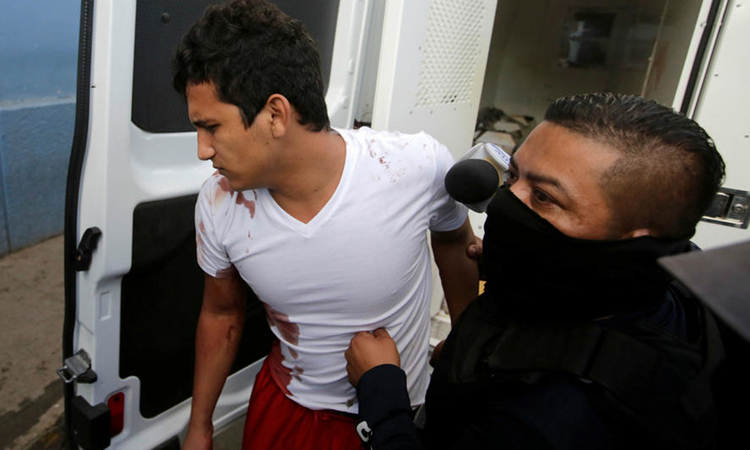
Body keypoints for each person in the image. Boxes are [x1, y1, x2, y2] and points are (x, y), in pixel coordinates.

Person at [171, 1, 479, 449]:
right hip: (285, 408)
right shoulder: (219, 202)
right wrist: (200, 425)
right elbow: (222, 313)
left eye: (211, 127)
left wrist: (465, 341)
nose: (202, 150)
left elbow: (455, 241)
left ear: (275, 115)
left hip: (396, 414)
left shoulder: (413, 166)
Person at [345, 92, 726, 449]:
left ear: (633, 239)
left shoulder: (551, 419)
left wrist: (383, 397)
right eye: (513, 176)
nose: (505, 203)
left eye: (543, 197)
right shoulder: (667, 275)